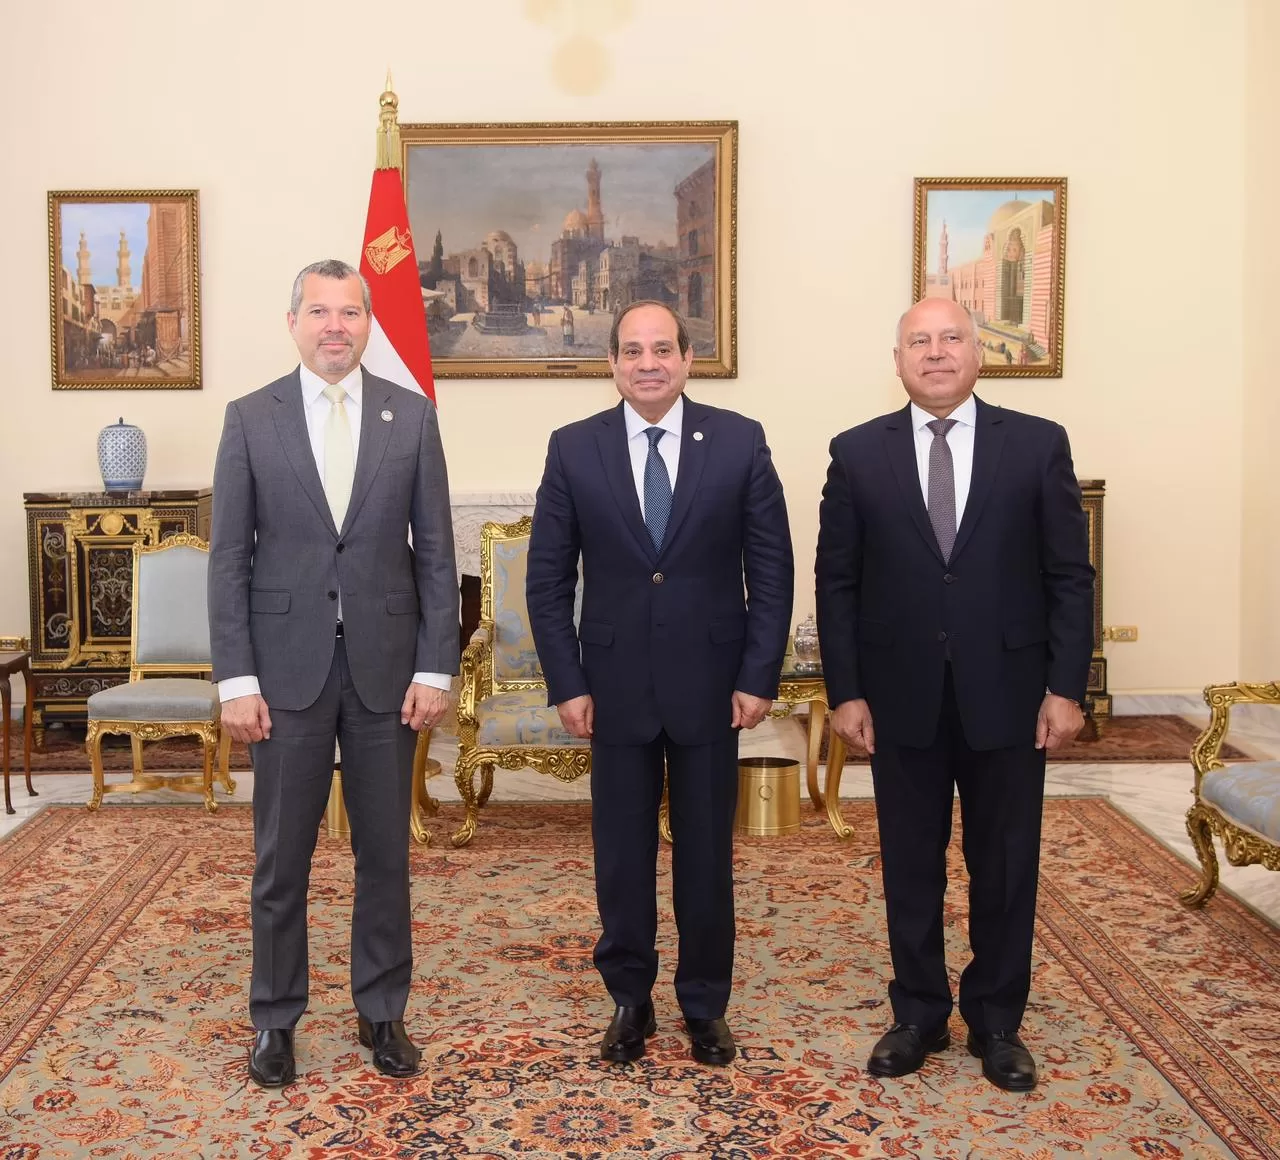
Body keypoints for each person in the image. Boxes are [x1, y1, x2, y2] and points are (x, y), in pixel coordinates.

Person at [814, 297, 1093, 1092]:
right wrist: (846, 691)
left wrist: (1065, 687)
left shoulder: (1037, 444)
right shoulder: (857, 452)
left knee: (1004, 864)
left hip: (1010, 693)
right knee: (910, 864)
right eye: (918, 341)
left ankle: (997, 1021)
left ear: (978, 352)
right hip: (899, 696)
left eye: (950, 338)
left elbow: (1069, 576)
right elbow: (837, 581)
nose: (935, 353)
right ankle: (920, 1014)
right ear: (898, 360)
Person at [209, 258, 459, 1088]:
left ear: (368, 324)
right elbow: (229, 560)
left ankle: (382, 1011)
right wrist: (236, 680)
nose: (334, 327)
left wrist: (436, 665)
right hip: (284, 676)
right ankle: (275, 1019)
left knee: (385, 856)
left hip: (389, 674)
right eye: (319, 312)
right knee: (281, 862)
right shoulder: (252, 418)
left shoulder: (410, 417)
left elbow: (436, 555)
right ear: (293, 323)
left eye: (350, 313)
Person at [526, 300, 793, 1067]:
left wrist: (758, 674)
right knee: (621, 854)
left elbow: (771, 569)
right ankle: (629, 999)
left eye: (663, 349)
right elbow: (548, 580)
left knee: (706, 855)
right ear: (612, 362)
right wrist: (567, 681)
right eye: (634, 351)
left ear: (687, 359)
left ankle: (705, 1003)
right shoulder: (574, 448)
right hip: (610, 688)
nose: (649, 363)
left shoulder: (739, 441)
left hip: (713, 685)